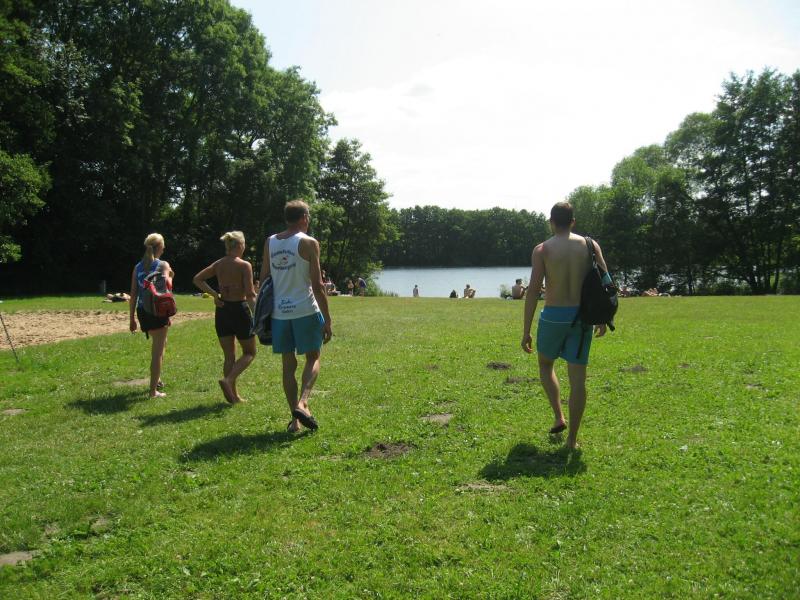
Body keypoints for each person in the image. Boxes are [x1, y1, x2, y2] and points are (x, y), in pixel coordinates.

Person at [521, 201, 611, 450]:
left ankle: (559, 416)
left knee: (545, 364)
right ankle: (572, 440)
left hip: (553, 316)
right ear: (573, 222)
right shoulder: (590, 245)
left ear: (551, 222)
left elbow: (533, 291)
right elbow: (606, 283)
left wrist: (526, 330)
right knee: (578, 380)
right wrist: (604, 317)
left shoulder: (542, 250)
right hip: (582, 317)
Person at [259, 200, 332, 432]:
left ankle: (295, 421)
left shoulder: (270, 242)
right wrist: (327, 319)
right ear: (303, 218)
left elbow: (264, 279)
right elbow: (318, 285)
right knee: (313, 357)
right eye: (308, 217)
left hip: (280, 314)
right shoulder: (309, 242)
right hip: (306, 310)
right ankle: (303, 403)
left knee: (287, 364)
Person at [193, 231, 257, 404]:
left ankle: (233, 395)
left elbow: (197, 279)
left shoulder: (219, 264)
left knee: (229, 356)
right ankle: (228, 381)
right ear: (240, 245)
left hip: (222, 311)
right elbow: (250, 294)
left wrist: (215, 294)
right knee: (250, 352)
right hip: (240, 310)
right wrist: (258, 315)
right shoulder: (244, 265)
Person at [129, 233, 171, 398]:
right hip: (157, 310)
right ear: (159, 248)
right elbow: (167, 287)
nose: (164, 249)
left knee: (161, 343)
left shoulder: (138, 267)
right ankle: (153, 391)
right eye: (163, 246)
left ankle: (157, 378)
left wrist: (131, 318)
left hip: (142, 311)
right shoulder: (163, 264)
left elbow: (133, 294)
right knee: (157, 352)